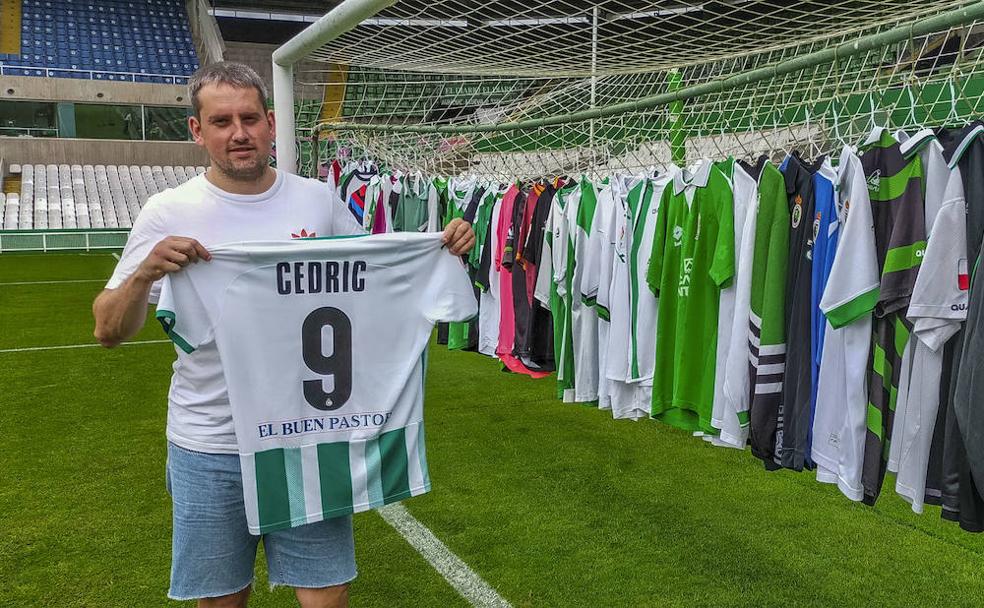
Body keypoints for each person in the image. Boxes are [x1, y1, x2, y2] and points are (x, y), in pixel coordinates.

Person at [92, 62, 475, 608]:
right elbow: (108, 330)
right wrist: (145, 271)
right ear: (197, 131)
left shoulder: (317, 202)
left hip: (308, 435)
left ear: (271, 123)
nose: (239, 133)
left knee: (327, 593)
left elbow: (372, 282)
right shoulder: (168, 212)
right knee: (221, 598)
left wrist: (439, 247)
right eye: (221, 121)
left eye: (250, 118)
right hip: (211, 442)